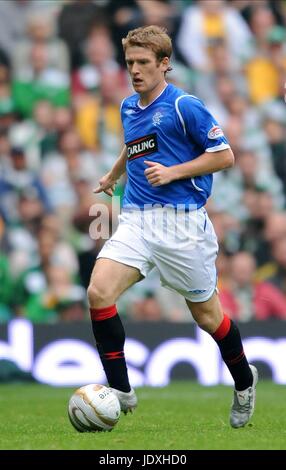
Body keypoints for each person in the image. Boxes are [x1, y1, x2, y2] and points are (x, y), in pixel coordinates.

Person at [87, 25, 258, 428]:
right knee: (98, 292)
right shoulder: (129, 106)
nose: (135, 71)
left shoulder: (185, 105)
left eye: (144, 63)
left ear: (165, 64)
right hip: (138, 219)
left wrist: (174, 172)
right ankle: (121, 392)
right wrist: (114, 174)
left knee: (208, 317)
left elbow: (224, 155)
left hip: (182, 227)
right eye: (130, 63)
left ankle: (245, 381)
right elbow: (136, 144)